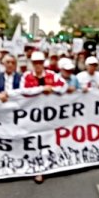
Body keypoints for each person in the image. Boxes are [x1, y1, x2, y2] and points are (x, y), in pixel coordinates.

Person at [20, 51, 67, 184]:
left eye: (40, 63)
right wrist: (41, 89)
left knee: (48, 140)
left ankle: (46, 166)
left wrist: (52, 89)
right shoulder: (26, 76)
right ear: (33, 64)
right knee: (35, 142)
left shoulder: (52, 75)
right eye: (36, 63)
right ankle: (37, 168)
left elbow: (64, 87)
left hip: (49, 114)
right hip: (32, 115)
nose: (38, 65)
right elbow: (23, 91)